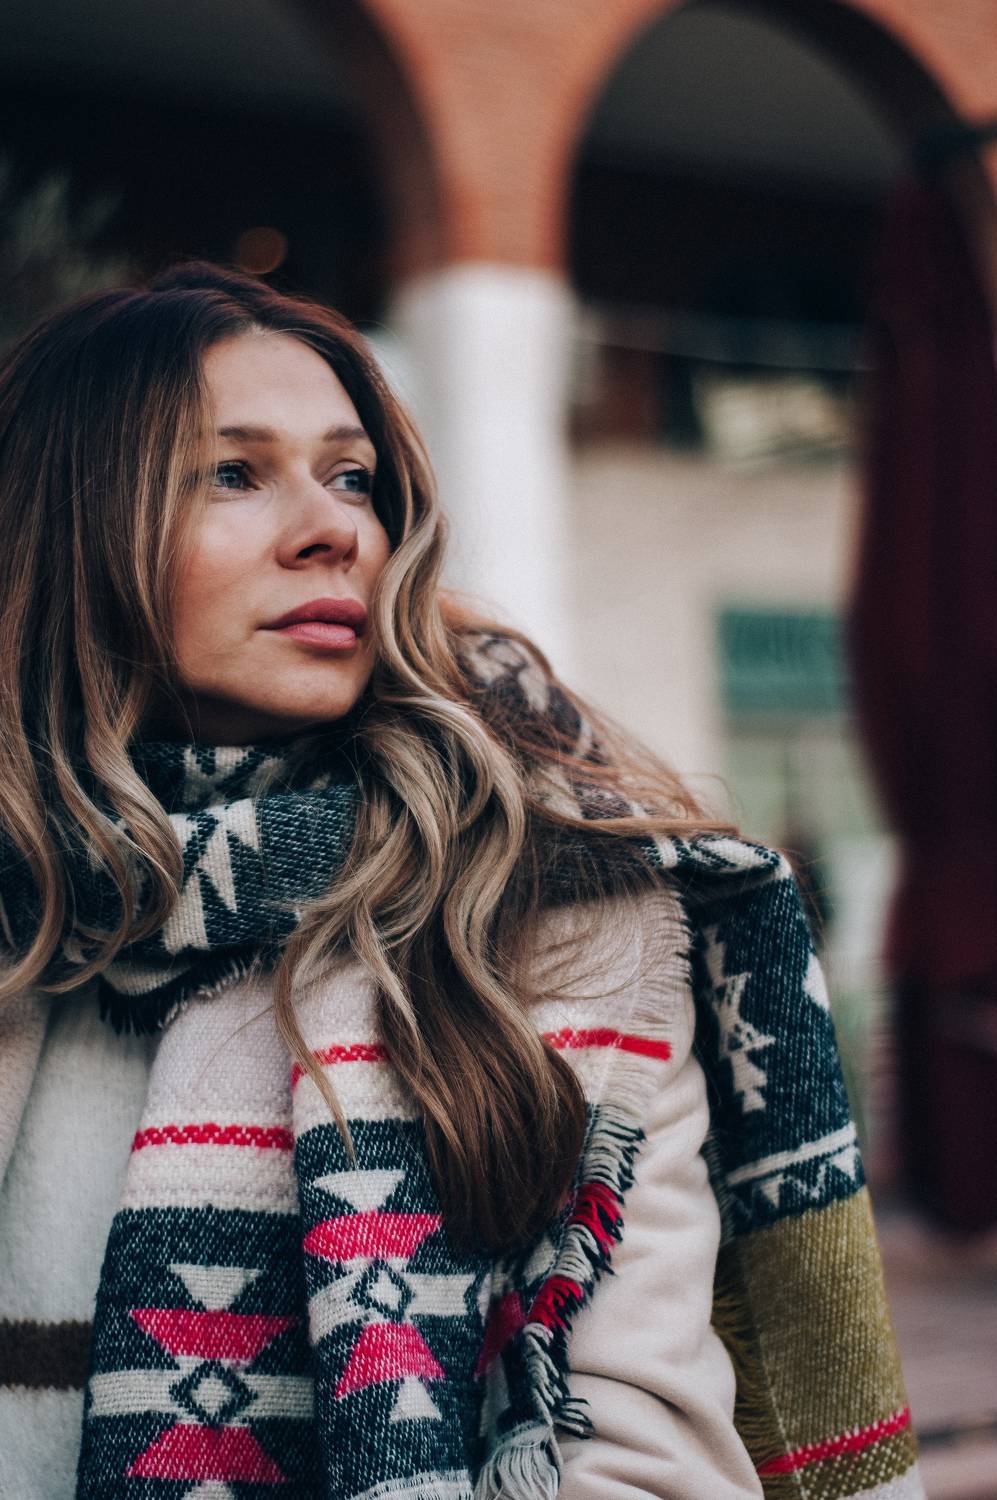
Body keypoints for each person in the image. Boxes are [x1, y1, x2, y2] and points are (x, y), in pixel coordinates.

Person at [0, 264, 919, 1500]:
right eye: (232, 473)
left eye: (351, 478)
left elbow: (642, 1462)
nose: (334, 531)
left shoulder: (556, 930)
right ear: (69, 526)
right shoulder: (29, 930)